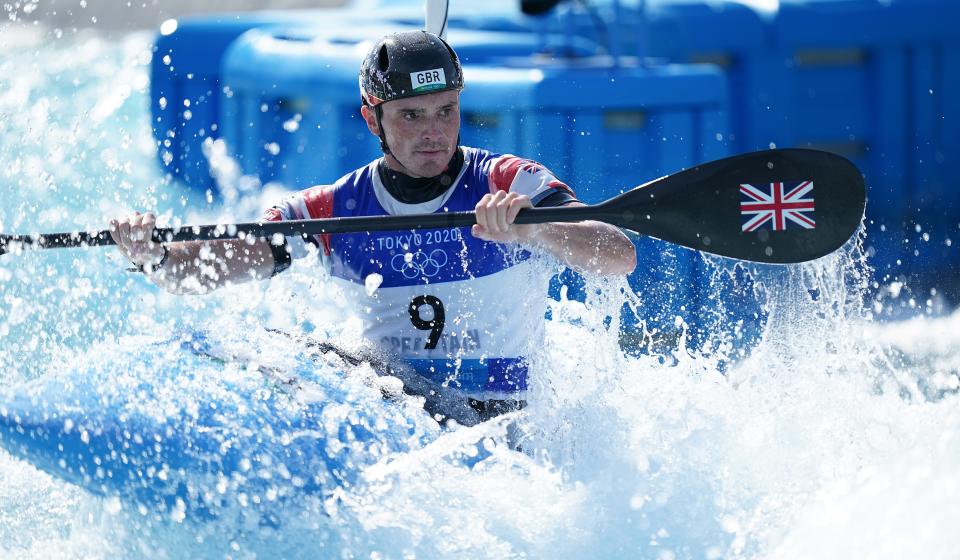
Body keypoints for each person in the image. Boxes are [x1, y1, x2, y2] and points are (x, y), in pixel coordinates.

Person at [110, 30, 637, 424]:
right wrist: (155, 255)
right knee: (251, 347)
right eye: (411, 116)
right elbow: (210, 266)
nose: (434, 133)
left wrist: (532, 229)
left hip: (501, 426)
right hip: (391, 410)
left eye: (446, 111)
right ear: (372, 120)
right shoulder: (333, 206)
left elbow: (618, 254)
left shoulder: (508, 180)